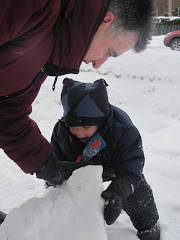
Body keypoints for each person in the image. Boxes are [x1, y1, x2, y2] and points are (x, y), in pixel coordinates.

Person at [0, 1, 157, 188]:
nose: (99, 64)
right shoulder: (38, 5)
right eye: (109, 52)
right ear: (106, 20)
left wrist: (48, 165)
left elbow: (7, 115)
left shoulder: (49, 50)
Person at [49, 78, 160, 240]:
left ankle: (148, 225)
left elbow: (132, 166)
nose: (79, 133)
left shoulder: (123, 130)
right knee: (59, 192)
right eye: (73, 127)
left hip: (114, 167)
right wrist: (56, 182)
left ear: (100, 121)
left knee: (135, 192)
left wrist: (117, 194)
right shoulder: (61, 131)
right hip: (77, 168)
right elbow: (55, 160)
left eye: (86, 127)